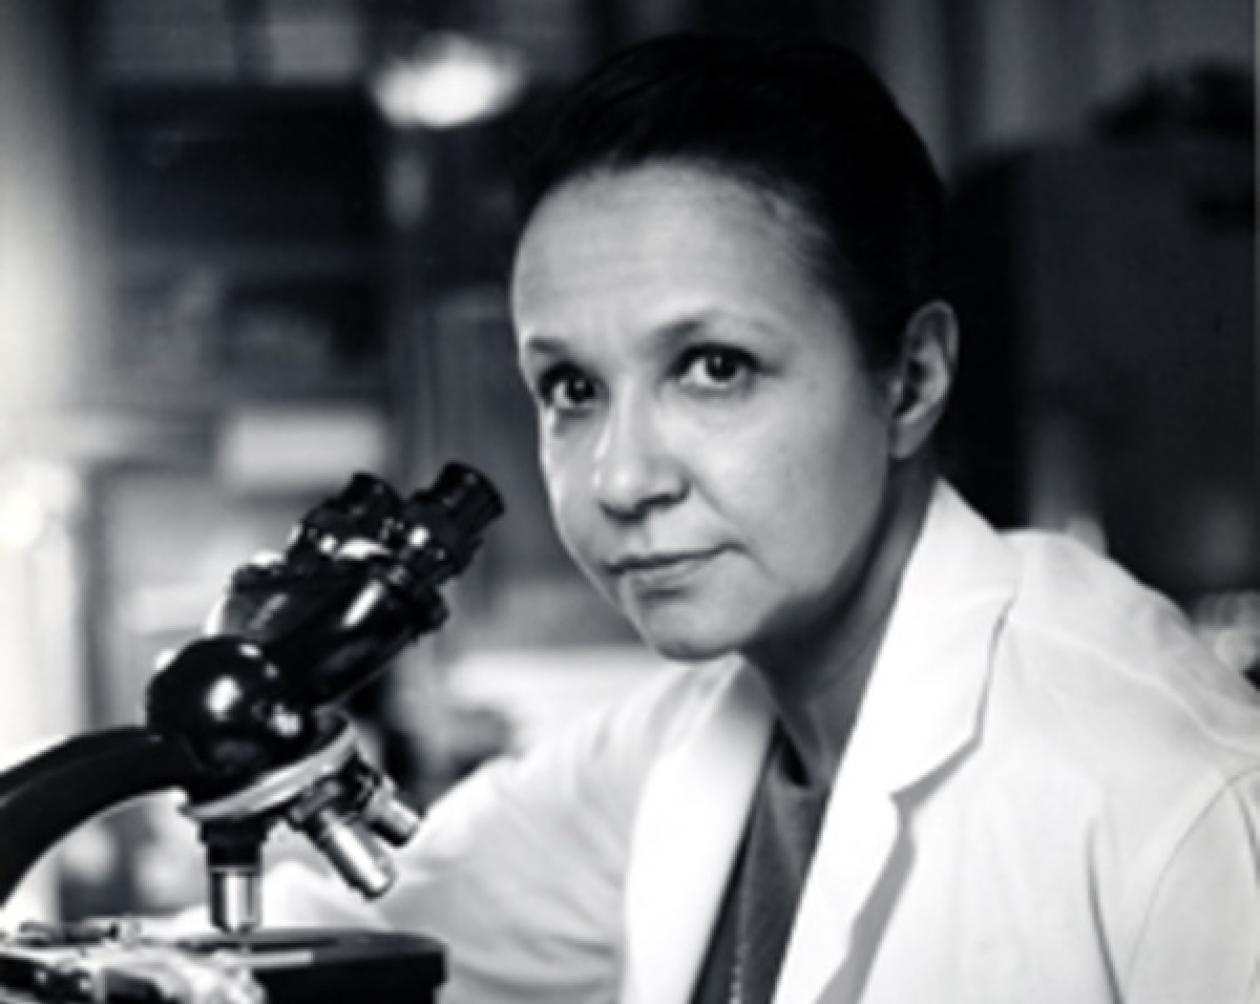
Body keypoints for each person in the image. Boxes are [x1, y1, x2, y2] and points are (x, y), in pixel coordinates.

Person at [259, 33, 1260, 1002]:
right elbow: (352, 930)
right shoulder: (682, 736)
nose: (621, 477)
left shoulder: (1171, 795)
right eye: (571, 387)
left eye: (714, 367)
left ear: (911, 380)